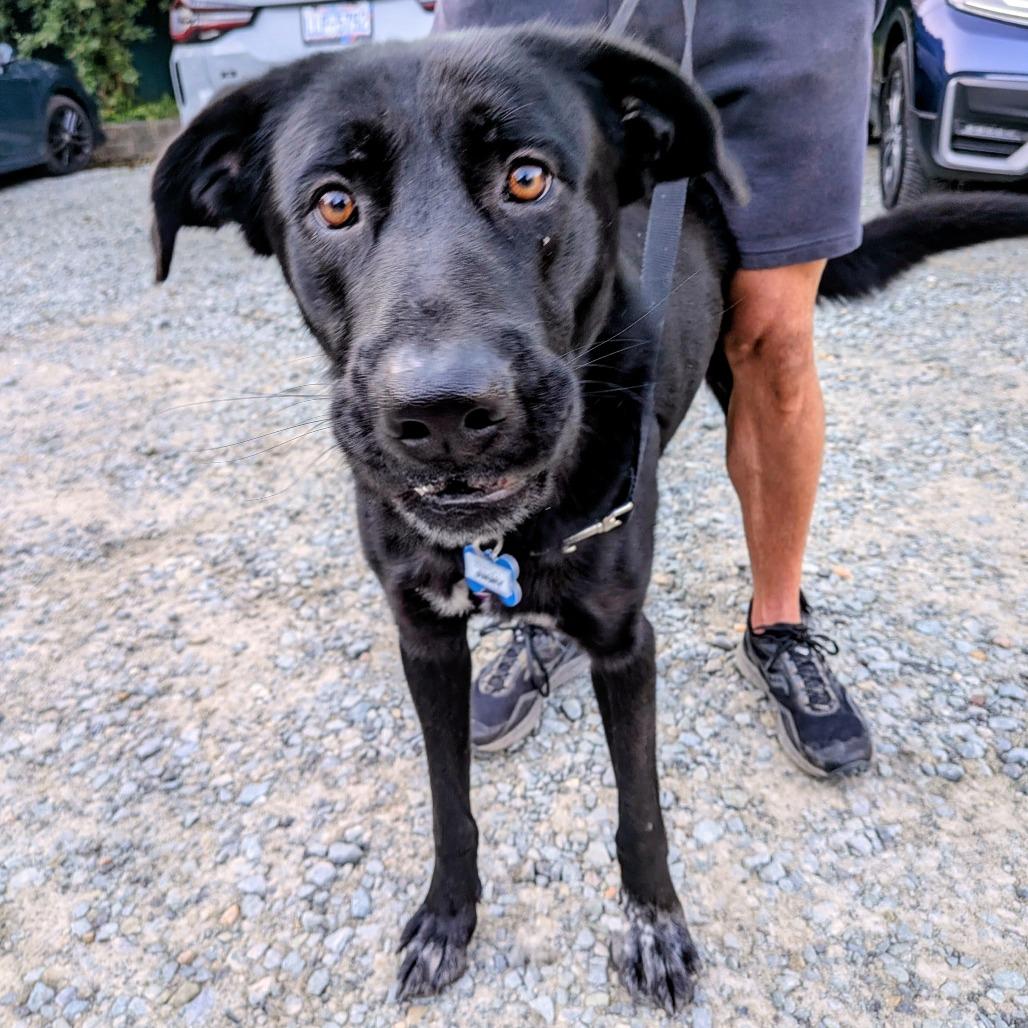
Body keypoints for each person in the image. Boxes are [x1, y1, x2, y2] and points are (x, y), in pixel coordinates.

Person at [433, 0, 877, 778]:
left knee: (774, 340)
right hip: (542, 13)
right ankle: (541, 605)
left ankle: (777, 621)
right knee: (528, 320)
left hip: (783, 22)